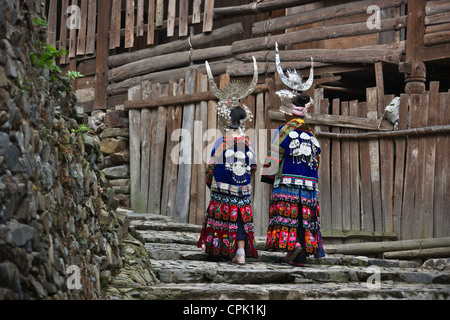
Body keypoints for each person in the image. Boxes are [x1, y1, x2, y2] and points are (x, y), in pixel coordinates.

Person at [261, 43, 324, 266]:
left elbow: (273, 156)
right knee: (303, 218)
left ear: (288, 111)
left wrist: (269, 178)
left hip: (287, 182)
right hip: (308, 186)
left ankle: (294, 247)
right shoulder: (312, 135)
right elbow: (316, 161)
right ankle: (301, 254)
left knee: (287, 216)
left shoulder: (283, 131)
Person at [198, 58, 259, 264]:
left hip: (222, 187)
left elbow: (211, 166)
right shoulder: (248, 143)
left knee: (221, 215)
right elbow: (253, 167)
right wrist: (244, 183)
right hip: (241, 188)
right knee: (241, 217)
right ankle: (240, 253)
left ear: (227, 121)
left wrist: (211, 183)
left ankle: (220, 250)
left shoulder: (221, 142)